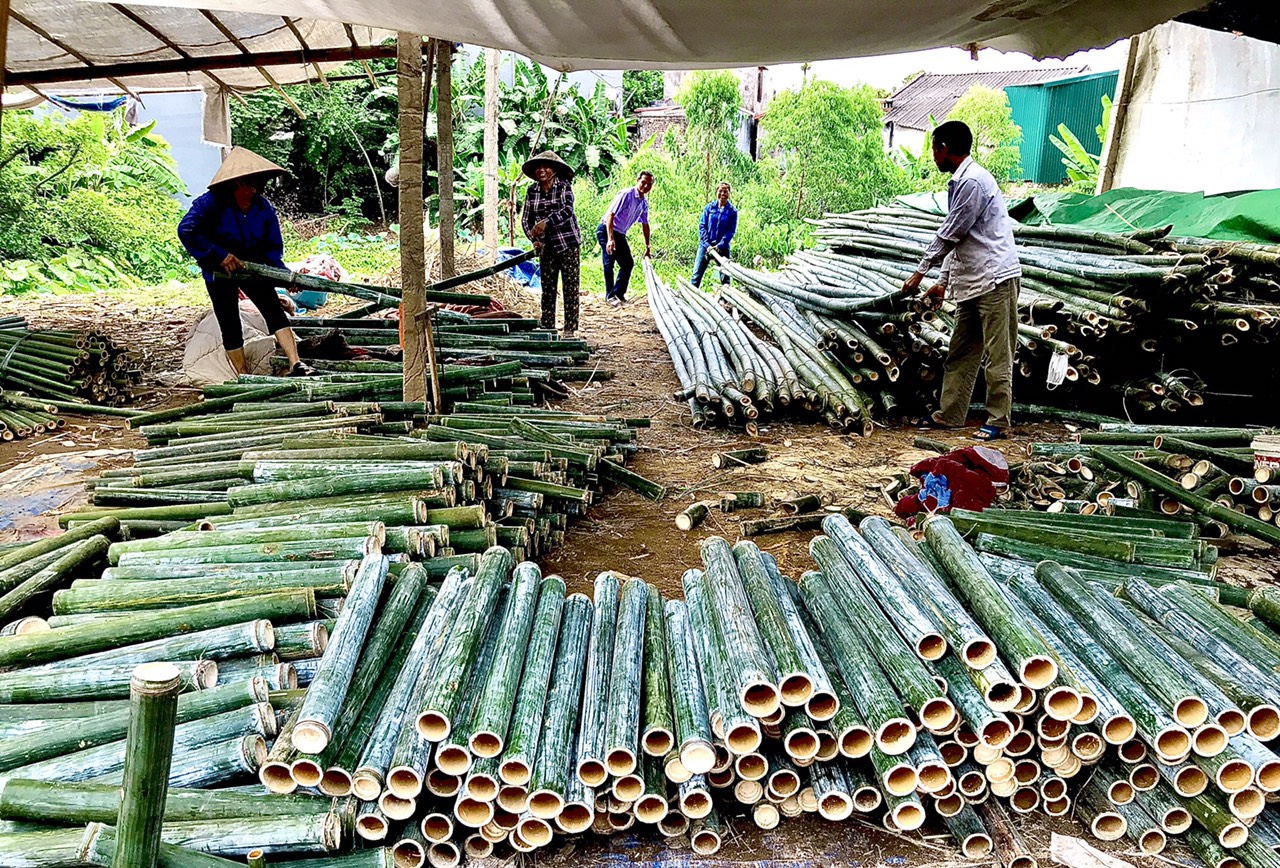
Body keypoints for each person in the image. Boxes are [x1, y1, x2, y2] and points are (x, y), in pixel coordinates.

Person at [901, 120, 1021, 442]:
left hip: (995, 279)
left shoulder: (973, 182)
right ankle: (951, 414)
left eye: (933, 150)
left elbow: (950, 232)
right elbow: (961, 240)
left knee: (998, 356)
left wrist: (920, 271)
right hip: (972, 280)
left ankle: (999, 420)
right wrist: (941, 282)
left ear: (944, 148)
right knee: (961, 352)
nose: (932, 157)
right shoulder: (961, 182)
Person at [178, 146, 314, 377]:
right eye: (255, 180)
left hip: (253, 268)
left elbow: (272, 251)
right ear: (240, 182)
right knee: (229, 321)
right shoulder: (211, 203)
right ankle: (243, 374)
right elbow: (187, 230)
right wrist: (219, 255)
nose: (261, 185)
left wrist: (283, 276)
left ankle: (295, 363)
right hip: (219, 271)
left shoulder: (263, 209)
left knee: (273, 311)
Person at [520, 150, 582, 334]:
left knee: (570, 288)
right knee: (548, 288)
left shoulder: (564, 186)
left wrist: (546, 223)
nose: (542, 170)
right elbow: (526, 220)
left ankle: (570, 329)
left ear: (554, 169)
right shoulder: (532, 191)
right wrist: (534, 239)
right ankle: (547, 327)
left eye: (546, 166)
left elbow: (567, 210)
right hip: (546, 247)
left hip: (568, 243)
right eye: (538, 167)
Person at [596, 170, 653, 306]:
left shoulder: (643, 203)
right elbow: (611, 215)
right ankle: (610, 296)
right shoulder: (626, 194)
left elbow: (645, 225)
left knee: (627, 263)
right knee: (609, 261)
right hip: (606, 229)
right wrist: (610, 239)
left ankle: (618, 293)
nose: (645, 186)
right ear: (638, 180)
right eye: (643, 182)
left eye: (649, 184)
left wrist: (647, 247)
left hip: (620, 233)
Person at [691, 182, 737, 287]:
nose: (723, 194)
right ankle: (691, 295)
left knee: (725, 276)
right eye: (720, 191)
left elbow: (731, 231)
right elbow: (702, 226)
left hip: (722, 248)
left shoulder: (732, 211)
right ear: (716, 192)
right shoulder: (709, 208)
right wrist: (707, 245)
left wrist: (720, 245)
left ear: (729, 193)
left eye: (726, 191)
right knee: (696, 275)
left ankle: (725, 300)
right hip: (705, 247)